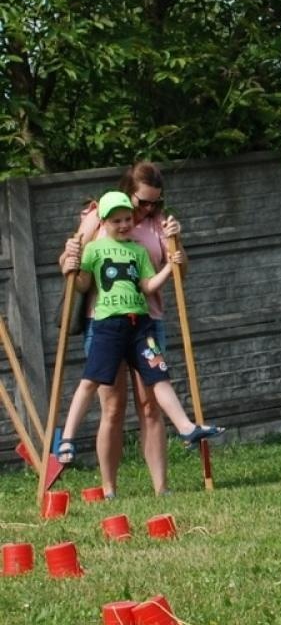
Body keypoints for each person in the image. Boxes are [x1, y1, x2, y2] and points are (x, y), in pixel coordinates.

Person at [58, 192, 223, 464]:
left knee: (159, 376)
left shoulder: (138, 250)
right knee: (91, 381)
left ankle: (186, 428)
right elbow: (84, 284)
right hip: (108, 326)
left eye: (126, 220)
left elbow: (147, 287)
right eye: (116, 221)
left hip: (141, 327)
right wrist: (71, 270)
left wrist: (170, 267)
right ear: (104, 222)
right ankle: (67, 438)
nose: (123, 225)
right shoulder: (94, 248)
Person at [55, 161, 184, 493]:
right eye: (143, 202)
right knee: (112, 407)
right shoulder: (97, 216)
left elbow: (177, 273)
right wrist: (66, 261)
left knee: (150, 404)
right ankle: (109, 487)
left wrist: (177, 247)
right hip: (105, 323)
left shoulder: (159, 225)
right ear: (128, 194)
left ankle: (161, 487)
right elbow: (73, 263)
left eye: (156, 201)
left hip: (148, 321)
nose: (149, 209)